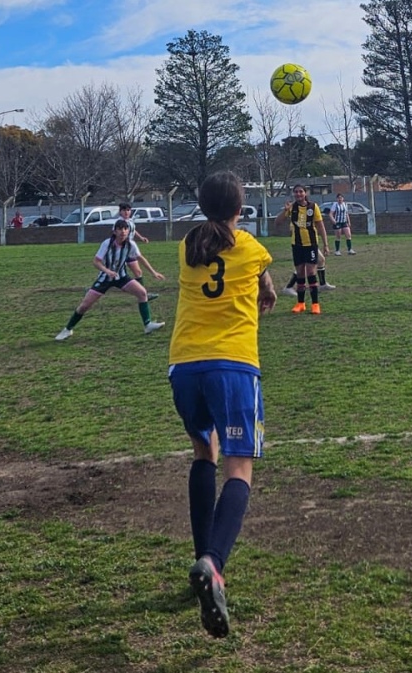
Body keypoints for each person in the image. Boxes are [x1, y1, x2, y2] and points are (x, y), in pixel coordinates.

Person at [169, 171, 276, 639]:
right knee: (239, 469)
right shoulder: (251, 247)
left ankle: (201, 559)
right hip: (232, 364)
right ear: (241, 205)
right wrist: (266, 293)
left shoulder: (187, 245)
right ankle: (213, 563)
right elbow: (264, 284)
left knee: (202, 454)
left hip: (184, 365)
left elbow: (216, 250)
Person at [55, 219, 165, 340]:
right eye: (120, 229)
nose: (123, 232)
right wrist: (107, 271)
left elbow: (140, 258)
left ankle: (147, 324)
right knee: (84, 306)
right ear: (114, 231)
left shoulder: (131, 244)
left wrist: (153, 272)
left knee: (142, 293)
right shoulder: (107, 243)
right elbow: (96, 262)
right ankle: (68, 329)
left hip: (121, 277)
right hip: (105, 279)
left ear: (128, 231)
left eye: (125, 229)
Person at [274, 184, 329, 314]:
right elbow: (277, 222)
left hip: (311, 244)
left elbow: (321, 227)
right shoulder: (291, 207)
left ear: (305, 193)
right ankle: (300, 303)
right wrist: (284, 211)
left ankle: (315, 304)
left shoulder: (313, 207)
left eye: (301, 192)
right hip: (297, 245)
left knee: (310, 273)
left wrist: (326, 244)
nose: (298, 194)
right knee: (300, 274)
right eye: (296, 192)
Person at [117, 202, 159, 301]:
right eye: (124, 210)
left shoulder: (130, 221)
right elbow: (115, 235)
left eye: (128, 210)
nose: (126, 212)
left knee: (138, 271)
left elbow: (133, 230)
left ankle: (143, 294)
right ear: (120, 212)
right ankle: (93, 289)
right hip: (122, 251)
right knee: (114, 275)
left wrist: (141, 237)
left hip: (130, 250)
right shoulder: (119, 223)